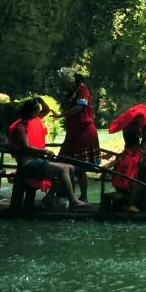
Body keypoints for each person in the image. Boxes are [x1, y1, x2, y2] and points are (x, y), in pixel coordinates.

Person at [7, 97, 79, 210]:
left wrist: (40, 100)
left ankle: (53, 198)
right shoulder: (21, 126)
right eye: (38, 108)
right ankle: (73, 200)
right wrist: (44, 151)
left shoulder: (35, 119)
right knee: (63, 169)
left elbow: (46, 109)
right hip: (28, 165)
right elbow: (26, 146)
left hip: (37, 161)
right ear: (33, 111)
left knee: (70, 167)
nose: (40, 111)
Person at [56, 73, 99, 205]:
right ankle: (63, 195)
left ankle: (83, 196)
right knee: (62, 162)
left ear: (71, 82)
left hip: (83, 132)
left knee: (79, 167)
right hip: (73, 133)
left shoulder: (82, 89)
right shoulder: (72, 92)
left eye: (65, 84)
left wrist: (61, 115)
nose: (64, 87)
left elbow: (80, 107)